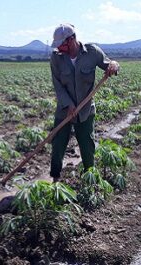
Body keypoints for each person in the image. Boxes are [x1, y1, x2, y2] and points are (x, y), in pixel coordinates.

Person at [49, 23, 119, 182]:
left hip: (85, 109)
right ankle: (55, 179)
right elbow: (57, 85)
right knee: (58, 144)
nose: (59, 48)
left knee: (87, 145)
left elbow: (108, 64)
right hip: (64, 109)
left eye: (62, 44)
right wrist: (68, 104)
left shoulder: (92, 52)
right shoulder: (56, 57)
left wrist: (114, 65)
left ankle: (90, 178)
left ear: (72, 39)